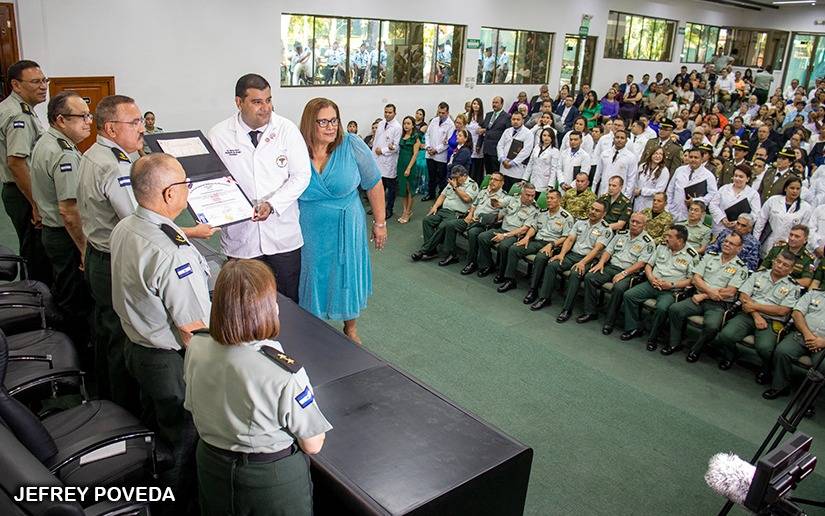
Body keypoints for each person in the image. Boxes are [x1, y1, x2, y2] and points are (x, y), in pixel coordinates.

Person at [184, 259, 332, 516]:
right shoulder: (283, 373)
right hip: (269, 481)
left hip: (211, 466)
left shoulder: (197, 345)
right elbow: (313, 444)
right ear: (266, 308)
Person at [111, 153, 212, 508]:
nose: (188, 189)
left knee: (155, 429)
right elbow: (191, 330)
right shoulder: (172, 253)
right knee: (183, 446)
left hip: (136, 349)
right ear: (169, 194)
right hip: (170, 365)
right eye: (185, 183)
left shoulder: (126, 226)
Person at [208, 74, 310, 303]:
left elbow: (302, 175)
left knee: (287, 300)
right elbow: (212, 183)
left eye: (268, 100)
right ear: (239, 102)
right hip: (241, 237)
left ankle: (288, 340)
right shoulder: (219, 135)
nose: (266, 108)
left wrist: (273, 204)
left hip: (283, 235)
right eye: (257, 102)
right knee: (244, 302)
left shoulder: (286, 129)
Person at [298, 98, 385, 344]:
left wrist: (380, 223)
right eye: (323, 121)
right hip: (309, 228)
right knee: (312, 271)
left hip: (347, 226)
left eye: (334, 120)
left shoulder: (352, 145)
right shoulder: (296, 148)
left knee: (345, 270)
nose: (330, 127)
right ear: (309, 123)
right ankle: (310, 325)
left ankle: (350, 327)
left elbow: (374, 183)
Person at [29, 91, 94, 348]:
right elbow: (69, 211)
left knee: (65, 289)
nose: (88, 121)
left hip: (52, 230)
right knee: (74, 299)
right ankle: (76, 353)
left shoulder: (46, 142)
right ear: (60, 120)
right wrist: (83, 249)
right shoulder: (64, 154)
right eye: (81, 117)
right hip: (65, 237)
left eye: (88, 115)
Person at [713, 250, 801, 381]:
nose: (780, 266)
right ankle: (730, 356)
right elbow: (744, 296)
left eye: (785, 265)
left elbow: (782, 311)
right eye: (778, 262)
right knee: (726, 335)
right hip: (748, 315)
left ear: (791, 269)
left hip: (771, 321)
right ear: (773, 261)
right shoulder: (758, 275)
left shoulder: (794, 287)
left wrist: (755, 306)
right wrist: (756, 315)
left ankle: (765, 368)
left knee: (765, 348)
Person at [0, 59, 51, 284]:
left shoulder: (15, 108)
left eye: (44, 80)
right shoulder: (19, 115)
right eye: (35, 82)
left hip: (19, 190)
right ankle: (40, 305)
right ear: (16, 85)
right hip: (23, 192)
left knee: (32, 250)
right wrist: (36, 204)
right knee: (36, 253)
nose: (43, 86)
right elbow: (17, 163)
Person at [663, 232, 748, 359]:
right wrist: (708, 292)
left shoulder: (741, 267)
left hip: (719, 304)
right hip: (697, 297)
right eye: (725, 241)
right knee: (675, 309)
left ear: (739, 248)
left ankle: (696, 349)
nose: (726, 244)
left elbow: (730, 291)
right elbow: (696, 278)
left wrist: (704, 295)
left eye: (731, 243)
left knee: (712, 326)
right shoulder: (710, 257)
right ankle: (674, 343)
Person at [620, 225, 698, 350]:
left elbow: (692, 280)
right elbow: (648, 265)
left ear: (680, 240)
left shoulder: (691, 255)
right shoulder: (662, 247)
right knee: (629, 295)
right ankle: (633, 328)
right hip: (652, 283)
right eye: (666, 235)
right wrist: (651, 278)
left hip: (671, 291)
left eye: (670, 236)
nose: (666, 238)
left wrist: (671, 285)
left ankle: (653, 338)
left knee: (662, 308)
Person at [578, 211, 655, 333]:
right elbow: (608, 250)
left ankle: (609, 321)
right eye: (632, 221)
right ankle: (590, 312)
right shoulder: (621, 234)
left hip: (629, 273)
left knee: (618, 289)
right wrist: (601, 263)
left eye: (637, 222)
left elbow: (641, 263)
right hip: (612, 267)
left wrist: (624, 273)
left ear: (644, 225)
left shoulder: (648, 242)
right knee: (590, 277)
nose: (634, 224)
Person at [528, 200, 612, 311]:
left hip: (588, 259)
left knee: (575, 274)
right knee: (552, 265)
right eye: (592, 208)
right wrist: (562, 254)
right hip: (572, 254)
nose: (592, 212)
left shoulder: (606, 229)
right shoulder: (580, 222)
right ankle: (544, 298)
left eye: (597, 211)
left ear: (604, 214)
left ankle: (567, 309)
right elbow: (570, 239)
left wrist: (582, 262)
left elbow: (596, 250)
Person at [499, 189, 573, 295]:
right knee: (514, 248)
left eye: (552, 198)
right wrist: (526, 238)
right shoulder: (542, 212)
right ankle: (510, 280)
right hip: (537, 241)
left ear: (559, 200)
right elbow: (534, 227)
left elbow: (565, 237)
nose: (549, 200)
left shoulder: (566, 217)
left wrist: (551, 245)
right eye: (547, 198)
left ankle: (533, 289)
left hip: (552, 245)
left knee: (540, 258)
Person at [762, 287, 825, 400]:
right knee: (783, 351)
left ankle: (808, 400)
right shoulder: (814, 294)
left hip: (823, 343)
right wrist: (807, 334)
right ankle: (780, 386)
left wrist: (823, 342)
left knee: (822, 366)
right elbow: (797, 313)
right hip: (802, 334)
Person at [411, 165, 478, 262]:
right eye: (453, 177)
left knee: (443, 226)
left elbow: (467, 199)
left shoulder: (472, 185)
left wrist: (455, 187)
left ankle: (424, 250)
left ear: (464, 176)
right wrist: (435, 206)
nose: (454, 179)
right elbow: (442, 195)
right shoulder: (453, 182)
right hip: (444, 210)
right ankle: (432, 250)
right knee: (427, 220)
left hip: (456, 213)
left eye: (457, 177)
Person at [477, 184, 539, 278]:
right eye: (527, 195)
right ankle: (487, 265)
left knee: (504, 246)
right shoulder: (512, 199)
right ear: (521, 193)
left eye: (533, 195)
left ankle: (502, 273)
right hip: (502, 229)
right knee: (482, 237)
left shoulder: (535, 209)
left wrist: (505, 235)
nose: (530, 198)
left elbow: (524, 229)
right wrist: (494, 201)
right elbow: (498, 203)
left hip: (516, 235)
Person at [455, 172, 507, 273]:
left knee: (473, 232)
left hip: (485, 225)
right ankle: (449, 253)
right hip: (471, 219)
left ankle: (472, 262)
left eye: (496, 180)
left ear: (502, 183)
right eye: (491, 179)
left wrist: (482, 219)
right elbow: (474, 204)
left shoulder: (504, 198)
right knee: (450, 225)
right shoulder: (484, 191)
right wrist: (470, 215)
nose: (492, 181)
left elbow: (499, 218)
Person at [754, 176, 812, 256]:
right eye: (792, 188)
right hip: (768, 243)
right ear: (785, 188)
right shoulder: (773, 200)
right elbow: (760, 223)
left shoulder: (806, 208)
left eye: (798, 189)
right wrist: (755, 242)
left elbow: (803, 232)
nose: (795, 191)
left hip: (788, 248)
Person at [666, 147, 718, 222]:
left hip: (692, 215)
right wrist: (668, 207)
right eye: (691, 157)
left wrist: (696, 200)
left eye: (696, 157)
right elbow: (670, 190)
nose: (693, 160)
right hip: (673, 211)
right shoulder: (679, 170)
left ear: (702, 159)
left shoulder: (708, 176)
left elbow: (713, 194)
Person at [709, 163, 762, 235]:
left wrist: (738, 222)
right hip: (719, 227)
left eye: (741, 177)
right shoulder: (724, 188)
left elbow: (755, 214)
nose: (737, 179)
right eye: (735, 176)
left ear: (748, 179)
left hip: (739, 231)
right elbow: (713, 205)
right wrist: (722, 218)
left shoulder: (753, 194)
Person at [373, 104, 402, 220]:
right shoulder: (380, 123)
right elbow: (376, 141)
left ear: (395, 113)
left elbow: (396, 146)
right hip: (378, 159)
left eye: (390, 112)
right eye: (385, 112)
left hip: (389, 161)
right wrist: (373, 154)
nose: (387, 114)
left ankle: (389, 208)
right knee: (379, 187)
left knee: (391, 188)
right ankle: (377, 207)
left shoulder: (397, 127)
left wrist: (383, 151)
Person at [423, 102, 455, 201]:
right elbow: (427, 134)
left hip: (441, 155)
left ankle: (440, 197)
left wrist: (436, 150)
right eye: (439, 112)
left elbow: (448, 141)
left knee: (441, 177)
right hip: (429, 153)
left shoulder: (451, 124)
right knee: (431, 176)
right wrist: (428, 147)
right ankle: (430, 193)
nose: (440, 115)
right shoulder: (434, 121)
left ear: (447, 112)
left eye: (443, 113)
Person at [496, 111, 534, 191]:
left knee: (512, 194)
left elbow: (526, 151)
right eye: (513, 119)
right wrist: (502, 159)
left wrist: (513, 163)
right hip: (503, 168)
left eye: (518, 119)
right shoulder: (507, 131)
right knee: (501, 193)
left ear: (523, 121)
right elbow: (500, 145)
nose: (515, 121)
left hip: (516, 171)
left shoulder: (528, 134)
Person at [593, 130, 636, 197]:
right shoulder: (604, 154)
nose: (619, 140)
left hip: (620, 194)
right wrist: (593, 190)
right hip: (603, 191)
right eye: (617, 137)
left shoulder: (631, 157)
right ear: (613, 139)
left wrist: (626, 196)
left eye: (622, 138)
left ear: (626, 141)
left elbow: (631, 179)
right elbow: (597, 174)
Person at [396, 115, 423, 224]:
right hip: (400, 164)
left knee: (409, 189)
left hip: (409, 165)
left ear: (412, 125)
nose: (406, 125)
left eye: (408, 123)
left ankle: (408, 212)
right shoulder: (402, 135)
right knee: (402, 189)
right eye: (404, 123)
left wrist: (409, 168)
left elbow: (415, 154)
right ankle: (404, 210)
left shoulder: (415, 137)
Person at [479, 96, 511, 174]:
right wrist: (479, 145)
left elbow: (508, 133)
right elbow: (483, 130)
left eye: (496, 103)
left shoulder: (506, 117)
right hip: (486, 149)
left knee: (496, 172)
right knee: (488, 172)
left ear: (502, 104)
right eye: (493, 102)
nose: (494, 104)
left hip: (496, 150)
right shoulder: (488, 115)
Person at [523, 128, 560, 193]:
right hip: (533, 180)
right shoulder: (537, 147)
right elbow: (530, 164)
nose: (546, 138)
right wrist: (524, 179)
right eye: (544, 135)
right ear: (541, 136)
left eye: (549, 136)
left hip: (545, 183)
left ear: (552, 138)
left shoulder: (555, 151)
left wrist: (550, 185)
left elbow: (554, 170)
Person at [633, 147, 669, 211]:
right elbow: (636, 182)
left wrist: (642, 191)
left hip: (650, 203)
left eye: (660, 154)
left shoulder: (664, 171)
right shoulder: (642, 166)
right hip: (638, 201)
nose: (657, 156)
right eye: (655, 153)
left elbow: (659, 191)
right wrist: (636, 191)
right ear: (651, 155)